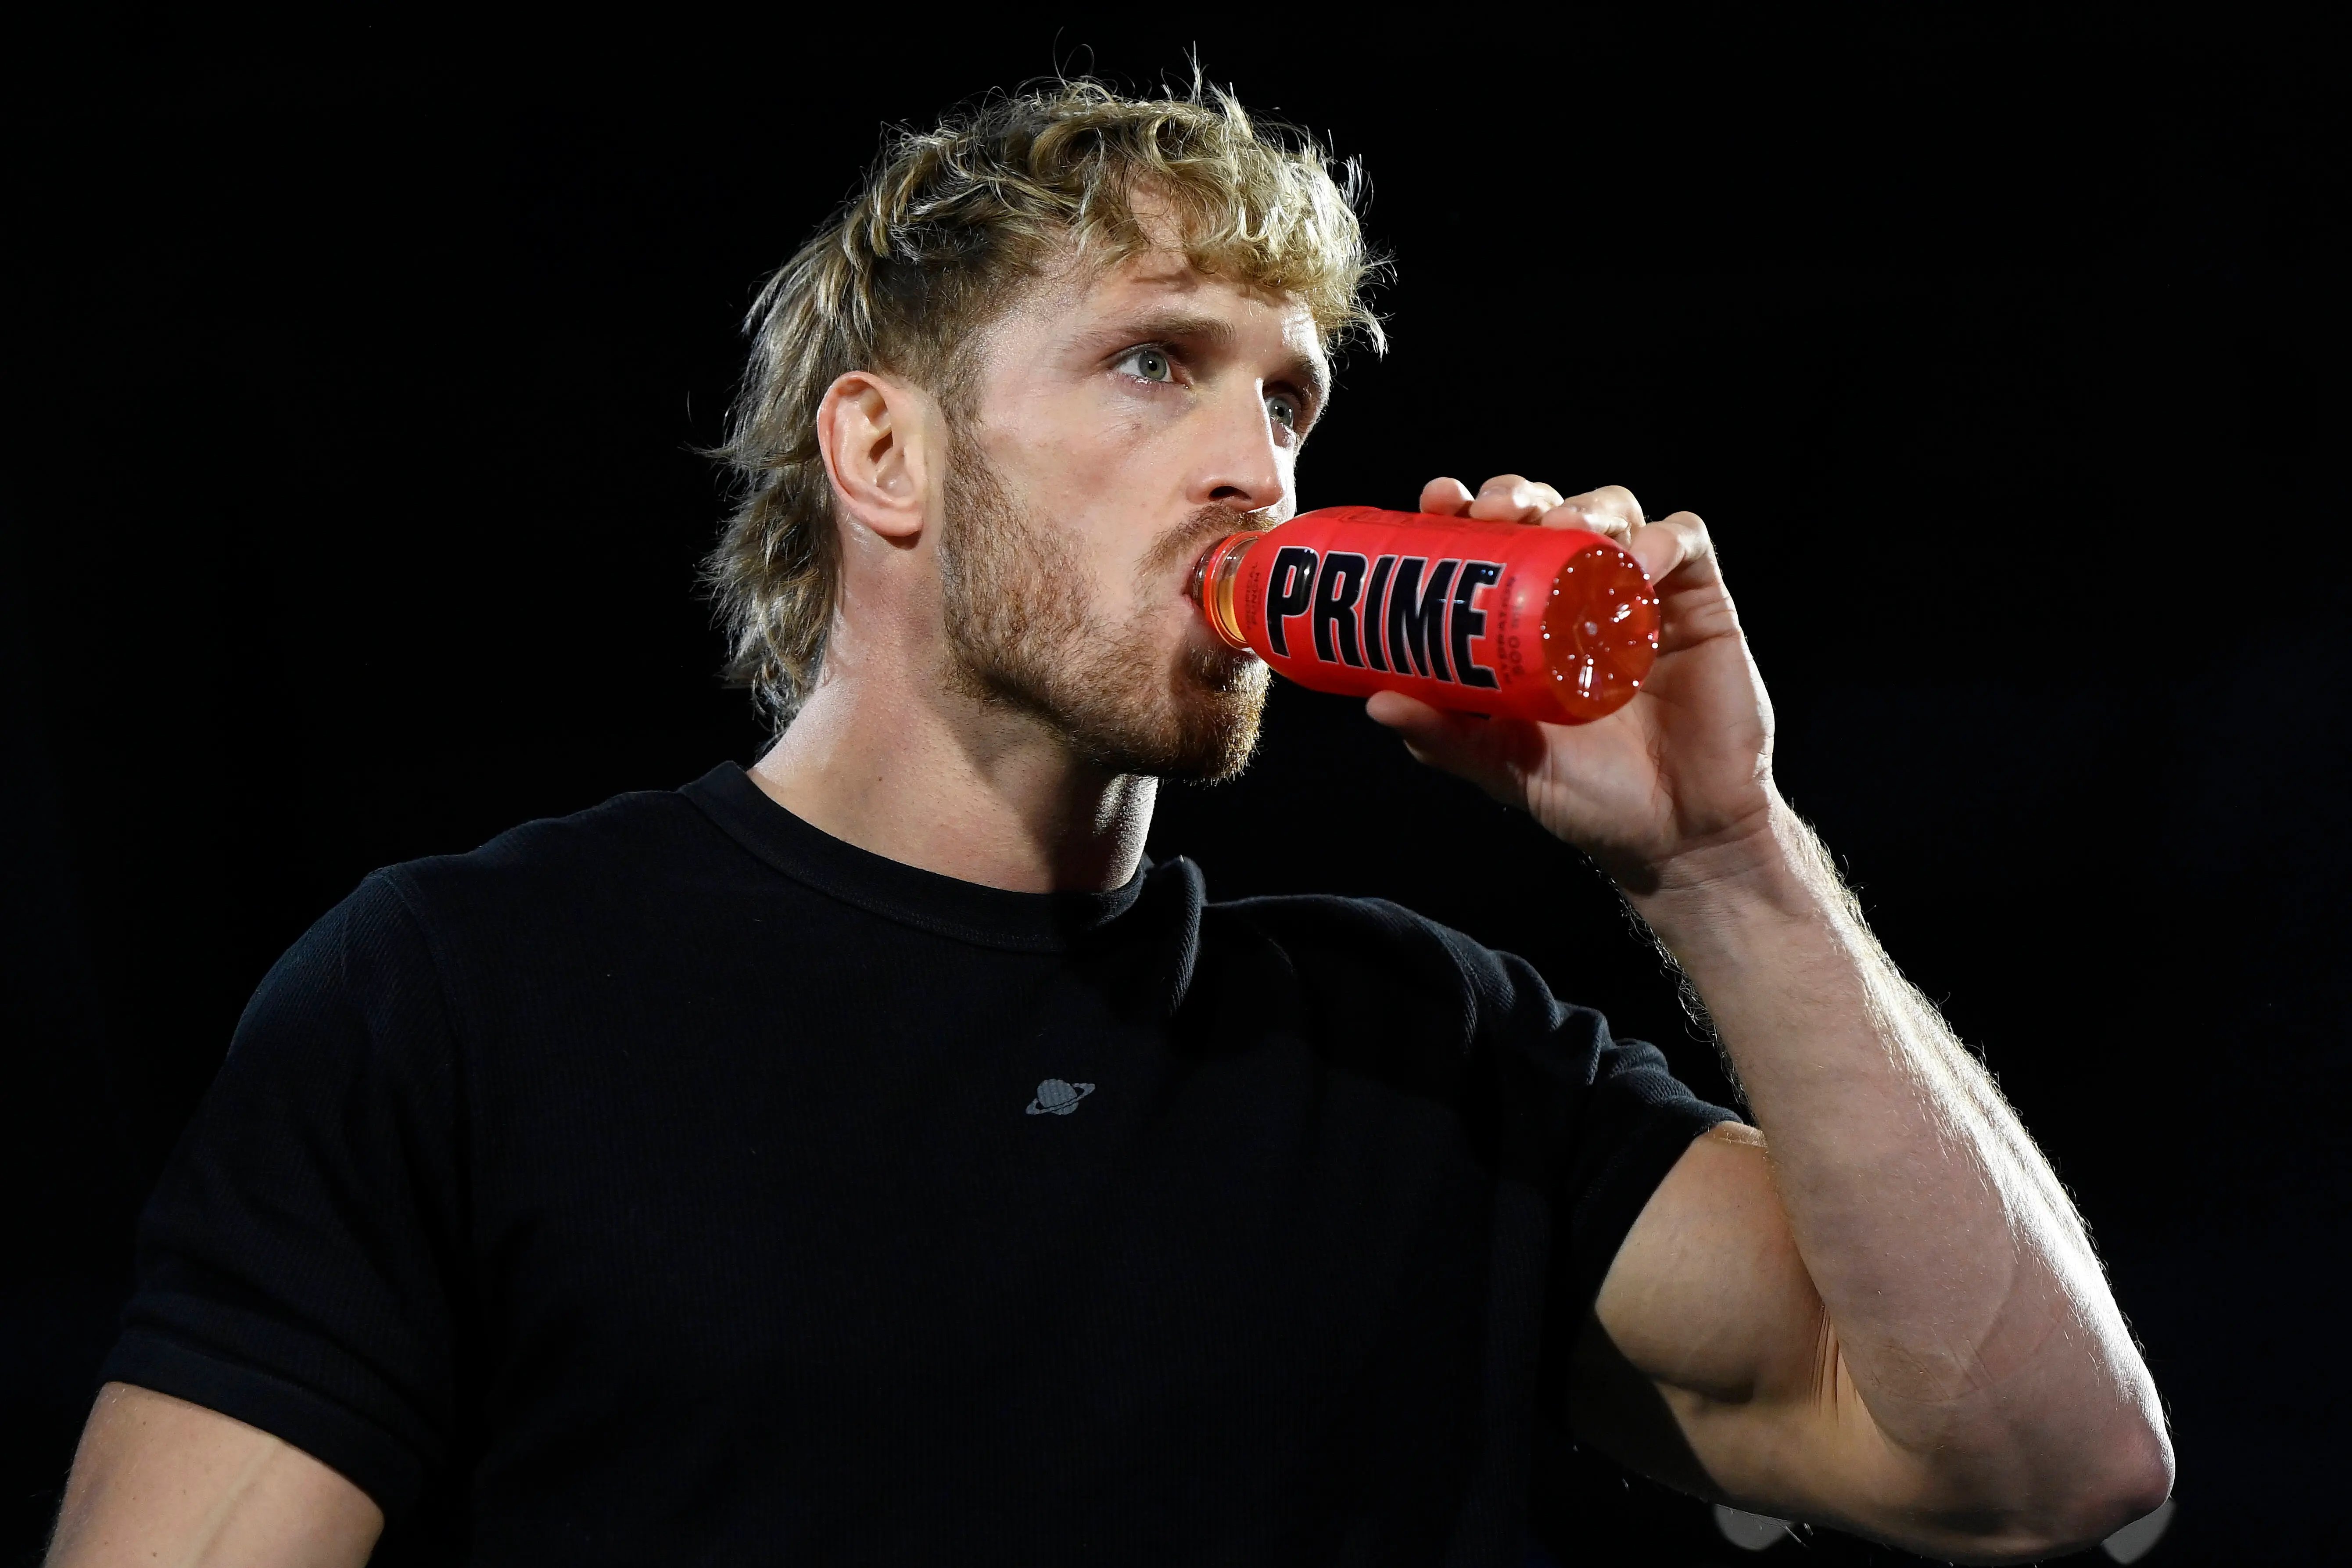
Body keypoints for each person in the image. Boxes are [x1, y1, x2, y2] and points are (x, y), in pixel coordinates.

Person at [45, 80, 2171, 1567]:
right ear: (881, 449)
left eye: (1287, 395)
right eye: (1157, 364)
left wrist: (1719, 858)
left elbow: (2045, 1459)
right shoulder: (463, 993)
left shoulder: (1418, 1051)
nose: (1259, 462)